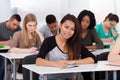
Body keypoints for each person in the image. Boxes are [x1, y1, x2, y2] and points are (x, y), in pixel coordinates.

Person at [35, 14, 97, 80]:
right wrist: (56, 64)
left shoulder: (75, 43)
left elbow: (92, 59)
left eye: (72, 29)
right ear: (60, 25)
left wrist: (71, 62)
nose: (68, 31)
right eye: (66, 27)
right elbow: (38, 60)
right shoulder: (49, 41)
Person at [9, 13, 43, 79]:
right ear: (25, 24)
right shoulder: (18, 34)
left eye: (34, 25)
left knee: (37, 68)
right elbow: (12, 49)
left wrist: (39, 33)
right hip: (21, 65)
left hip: (34, 64)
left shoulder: (36, 35)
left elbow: (44, 46)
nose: (32, 28)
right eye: (30, 25)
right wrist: (28, 50)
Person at [77, 9, 103, 80]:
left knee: (96, 64)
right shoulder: (74, 29)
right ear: (79, 20)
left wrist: (84, 48)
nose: (84, 23)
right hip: (76, 56)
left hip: (87, 56)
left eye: (87, 22)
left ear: (90, 23)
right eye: (83, 21)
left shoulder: (92, 30)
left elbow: (100, 45)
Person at [0, 14, 21, 80]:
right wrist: (6, 42)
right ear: (9, 20)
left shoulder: (18, 28)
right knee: (4, 62)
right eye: (14, 24)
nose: (15, 27)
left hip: (12, 51)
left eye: (17, 25)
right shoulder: (1, 26)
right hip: (1, 52)